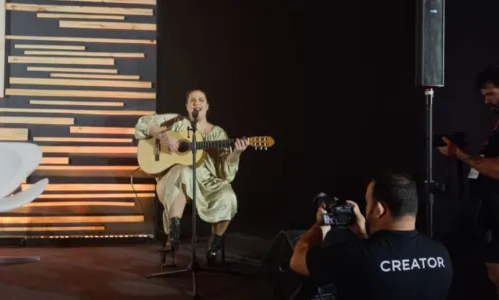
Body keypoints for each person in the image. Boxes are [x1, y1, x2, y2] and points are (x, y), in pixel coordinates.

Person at [289, 171, 453, 300]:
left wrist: (322, 225)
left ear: (379, 209)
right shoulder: (441, 254)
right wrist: (366, 236)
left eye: (368, 203)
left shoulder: (353, 256)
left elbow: (297, 260)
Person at [134, 89, 249, 265]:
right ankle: (174, 236)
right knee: (183, 170)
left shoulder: (218, 134)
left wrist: (236, 154)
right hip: (174, 181)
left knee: (229, 196)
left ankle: (213, 246)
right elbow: (143, 123)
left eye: (201, 99)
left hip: (208, 181)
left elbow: (226, 174)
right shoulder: (178, 122)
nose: (197, 103)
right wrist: (164, 136)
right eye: (192, 100)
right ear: (187, 106)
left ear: (207, 106)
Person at [437, 64, 499, 299]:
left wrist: (458, 154)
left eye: (491, 93)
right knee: (493, 271)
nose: (487, 102)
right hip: (490, 214)